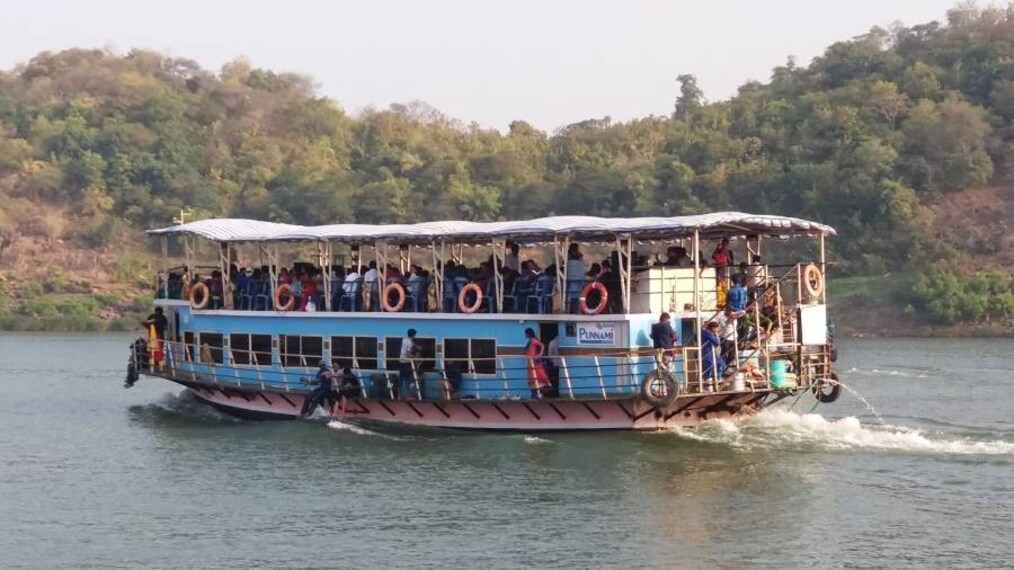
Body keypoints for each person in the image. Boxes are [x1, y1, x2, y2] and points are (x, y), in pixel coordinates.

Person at [523, 328, 551, 398]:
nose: (525, 335)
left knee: (537, 376)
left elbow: (542, 345)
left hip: (535, 363)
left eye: (525, 333)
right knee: (532, 377)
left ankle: (538, 394)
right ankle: (535, 394)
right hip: (531, 362)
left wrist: (539, 355)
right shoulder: (530, 341)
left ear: (528, 334)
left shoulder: (533, 340)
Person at [700, 321, 724, 391]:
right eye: (717, 328)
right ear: (713, 328)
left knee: (720, 363)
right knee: (708, 367)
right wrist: (716, 335)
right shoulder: (708, 333)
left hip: (710, 352)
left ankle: (717, 379)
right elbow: (717, 343)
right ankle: (707, 384)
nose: (718, 330)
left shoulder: (705, 332)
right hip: (707, 352)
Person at [398, 328, 419, 399]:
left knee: (401, 378)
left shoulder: (404, 340)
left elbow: (411, 344)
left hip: (401, 361)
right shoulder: (409, 342)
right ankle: (408, 396)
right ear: (413, 335)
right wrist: (415, 357)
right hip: (406, 362)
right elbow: (407, 353)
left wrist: (416, 346)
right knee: (407, 378)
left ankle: (399, 395)